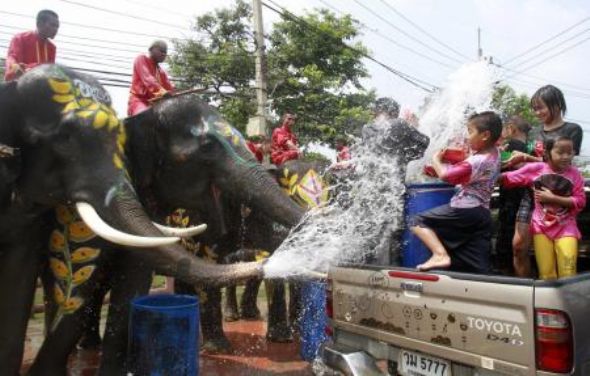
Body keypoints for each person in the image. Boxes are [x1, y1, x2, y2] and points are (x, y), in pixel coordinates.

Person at [505, 85, 583, 277]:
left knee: (560, 252)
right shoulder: (534, 133)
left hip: (558, 196)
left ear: (556, 105)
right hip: (532, 195)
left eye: (541, 107)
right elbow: (534, 169)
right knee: (518, 246)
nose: (537, 112)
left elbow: (561, 164)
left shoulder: (572, 130)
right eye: (535, 108)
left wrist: (526, 158)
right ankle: (524, 290)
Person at [410, 111, 502, 273]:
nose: (467, 137)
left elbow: (446, 175)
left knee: (416, 221)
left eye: (470, 132)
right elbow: (468, 165)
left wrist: (436, 161)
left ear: (485, 135)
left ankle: (439, 254)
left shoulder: (476, 161)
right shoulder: (495, 154)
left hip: (465, 209)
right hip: (482, 214)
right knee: (476, 264)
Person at [500, 136, 585, 280]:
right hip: (541, 228)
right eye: (560, 152)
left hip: (566, 227)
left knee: (568, 272)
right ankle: (549, 303)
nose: (565, 157)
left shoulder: (575, 174)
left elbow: (581, 201)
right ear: (547, 153)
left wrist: (553, 198)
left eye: (569, 152)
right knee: (546, 274)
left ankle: (568, 302)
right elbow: (508, 177)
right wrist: (485, 170)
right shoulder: (536, 169)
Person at [494, 116, 531, 274]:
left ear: (511, 128)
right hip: (523, 196)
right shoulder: (529, 147)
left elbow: (500, 168)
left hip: (509, 196)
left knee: (505, 234)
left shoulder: (511, 145)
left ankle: (504, 270)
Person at [4, 10, 59, 81]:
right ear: (39, 24)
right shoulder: (20, 38)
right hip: (17, 83)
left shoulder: (52, 48)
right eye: (53, 25)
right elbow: (12, 58)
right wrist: (16, 67)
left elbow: (50, 69)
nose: (56, 29)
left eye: (57, 27)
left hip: (38, 86)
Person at [127, 40, 175, 116]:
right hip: (138, 101)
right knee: (144, 116)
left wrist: (176, 93)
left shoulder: (161, 72)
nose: (164, 54)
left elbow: (169, 89)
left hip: (154, 106)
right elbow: (148, 79)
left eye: (165, 52)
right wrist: (163, 92)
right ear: (151, 49)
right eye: (161, 51)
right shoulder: (142, 59)